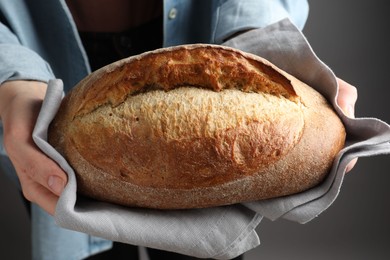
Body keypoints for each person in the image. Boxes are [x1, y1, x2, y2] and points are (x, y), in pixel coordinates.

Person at [0, 0, 357, 259]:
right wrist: (12, 76)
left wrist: (256, 31)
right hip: (40, 74)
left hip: (205, 29)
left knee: (203, 244)